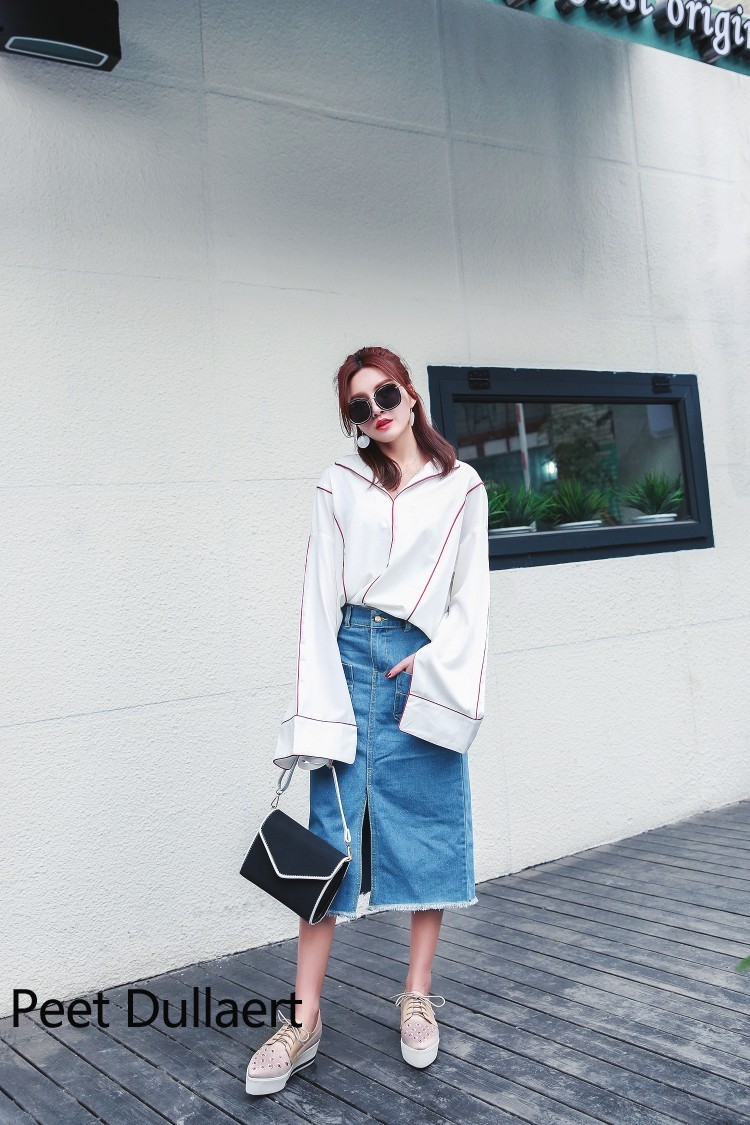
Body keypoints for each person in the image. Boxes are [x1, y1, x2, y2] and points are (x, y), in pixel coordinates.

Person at [246, 345, 490, 1096]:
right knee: (329, 835)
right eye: (359, 405)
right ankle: (303, 1018)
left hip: (419, 660)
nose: (376, 410)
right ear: (351, 420)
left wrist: (436, 660)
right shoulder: (339, 483)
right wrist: (318, 698)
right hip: (350, 656)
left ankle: (416, 994)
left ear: (410, 393)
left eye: (385, 393)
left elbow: (471, 594)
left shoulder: (462, 486)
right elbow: (317, 594)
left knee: (426, 821)